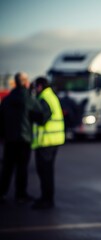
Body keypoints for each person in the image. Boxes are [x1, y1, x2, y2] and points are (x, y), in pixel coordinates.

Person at [0, 72, 45, 204]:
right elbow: (40, 114)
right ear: (25, 82)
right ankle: (20, 195)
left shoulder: (7, 99)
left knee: (7, 167)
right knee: (22, 168)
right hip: (24, 138)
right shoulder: (28, 98)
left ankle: (2, 192)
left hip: (9, 139)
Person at [31, 76, 65, 209]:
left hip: (47, 141)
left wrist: (31, 115)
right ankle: (46, 198)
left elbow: (43, 118)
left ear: (40, 86)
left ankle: (47, 200)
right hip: (53, 140)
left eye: (35, 87)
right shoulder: (51, 96)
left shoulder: (44, 98)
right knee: (47, 171)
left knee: (44, 171)